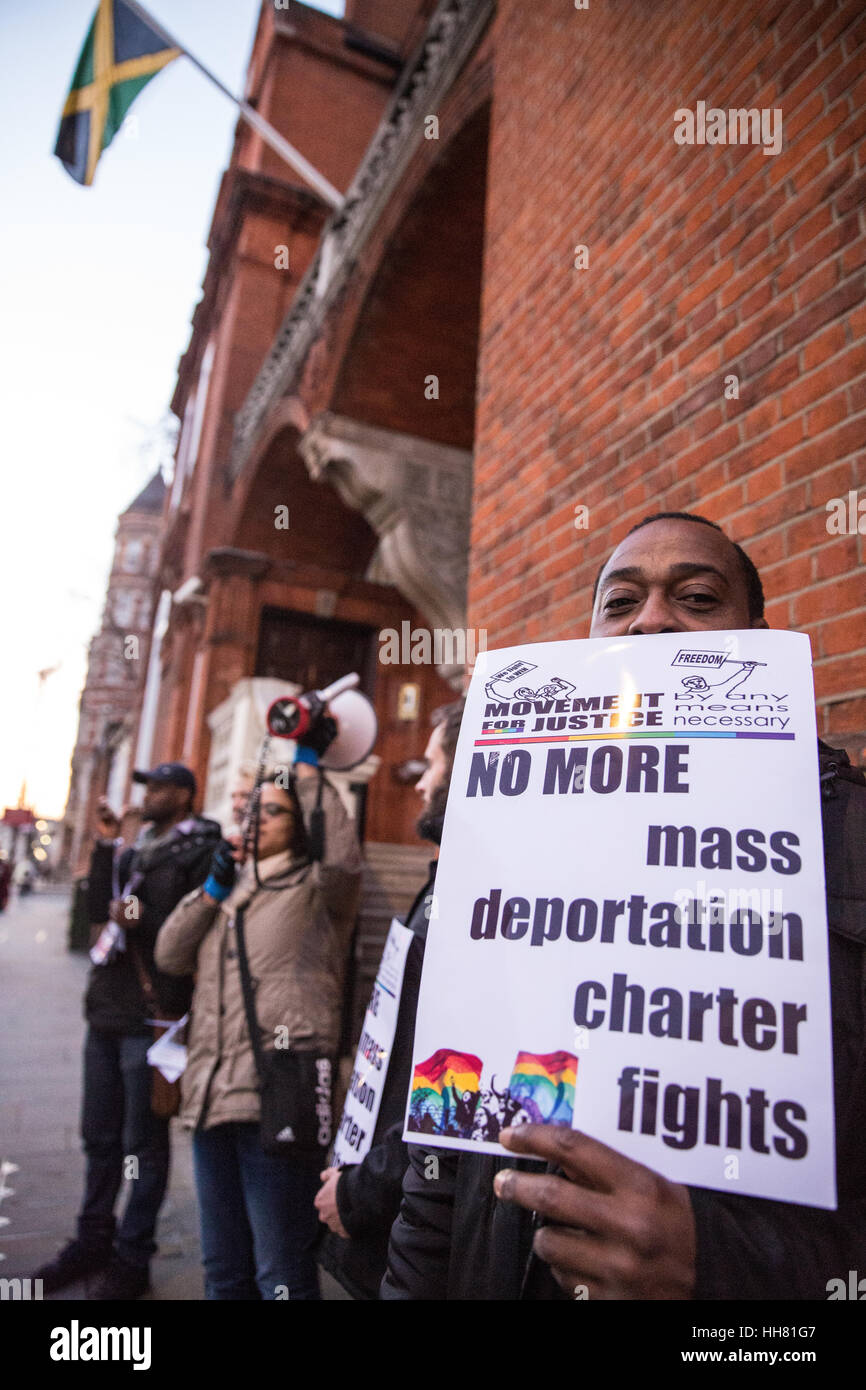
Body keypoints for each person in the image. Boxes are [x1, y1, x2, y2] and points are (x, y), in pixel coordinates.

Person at [383, 511, 866, 1300]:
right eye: (620, 602)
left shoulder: (848, 839)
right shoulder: (502, 843)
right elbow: (440, 1166)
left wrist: (723, 1267)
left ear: (757, 637)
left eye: (699, 597)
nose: (650, 620)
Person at [155, 754, 362, 1300]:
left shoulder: (317, 891)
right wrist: (211, 891)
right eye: (250, 809)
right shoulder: (230, 891)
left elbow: (342, 860)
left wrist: (308, 769)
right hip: (209, 1100)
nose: (257, 818)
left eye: (272, 810)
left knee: (281, 1273)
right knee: (223, 1269)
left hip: (275, 1104)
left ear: (298, 825)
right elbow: (169, 954)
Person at [35, 763, 221, 1300]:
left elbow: (192, 933)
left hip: (153, 1017)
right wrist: (105, 845)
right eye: (147, 788)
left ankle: (132, 1256)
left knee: (144, 1144)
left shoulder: (200, 849)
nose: (150, 796)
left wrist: (145, 914)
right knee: (99, 1137)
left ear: (185, 796)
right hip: (108, 1011)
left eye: (161, 788)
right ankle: (92, 1239)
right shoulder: (137, 848)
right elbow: (98, 910)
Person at [316, 698, 464, 1299]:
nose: (423, 781)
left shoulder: (476, 901)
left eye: (434, 763)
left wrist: (361, 1190)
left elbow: (455, 1088)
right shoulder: (442, 882)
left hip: (411, 1225)